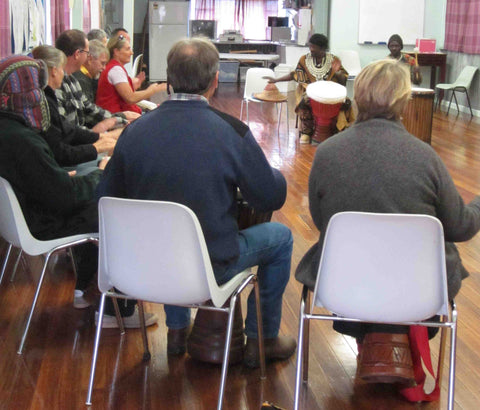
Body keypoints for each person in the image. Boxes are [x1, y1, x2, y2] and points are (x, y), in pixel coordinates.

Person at [96, 37, 296, 365]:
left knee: (168, 223)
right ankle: (264, 340)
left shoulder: (134, 132)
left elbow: (104, 197)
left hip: (139, 265)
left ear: (169, 81)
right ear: (215, 80)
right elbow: (270, 196)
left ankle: (177, 332)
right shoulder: (232, 132)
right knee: (282, 239)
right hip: (210, 263)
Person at [295, 59, 480, 382]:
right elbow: (461, 227)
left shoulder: (327, 153)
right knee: (438, 241)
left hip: (344, 287)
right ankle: (394, 344)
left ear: (359, 95)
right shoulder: (425, 157)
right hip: (419, 292)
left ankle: (374, 342)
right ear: (404, 101)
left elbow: (322, 221)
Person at [0, 54, 105, 309]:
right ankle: (108, 303)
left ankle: (87, 284)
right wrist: (100, 172)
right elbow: (65, 198)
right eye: (36, 88)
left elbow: (43, 181)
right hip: (43, 222)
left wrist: (61, 176)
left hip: (22, 219)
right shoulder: (24, 140)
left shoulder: (9, 130)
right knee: (110, 207)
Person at [32, 44, 120, 168]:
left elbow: (68, 129)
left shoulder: (48, 96)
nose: (64, 74)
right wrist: (95, 148)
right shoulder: (43, 102)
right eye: (62, 69)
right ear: (54, 71)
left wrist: (100, 137)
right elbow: (60, 153)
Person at [265, 33, 353, 144]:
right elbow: (294, 75)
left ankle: (338, 130)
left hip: (330, 92)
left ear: (322, 48)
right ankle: (306, 132)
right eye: (310, 46)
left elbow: (342, 81)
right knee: (305, 101)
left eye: (313, 47)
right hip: (308, 91)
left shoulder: (333, 60)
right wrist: (276, 80)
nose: (311, 49)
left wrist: (338, 73)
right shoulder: (304, 60)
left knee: (347, 102)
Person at [54, 29, 140, 134]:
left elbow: (89, 109)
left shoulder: (71, 79)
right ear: (77, 54)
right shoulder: (57, 84)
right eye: (86, 52)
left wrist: (120, 118)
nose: (87, 57)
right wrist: (96, 134)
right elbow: (67, 131)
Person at [96, 35, 165, 114]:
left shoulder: (114, 68)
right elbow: (130, 98)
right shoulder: (116, 70)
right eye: (128, 49)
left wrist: (133, 87)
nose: (131, 53)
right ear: (116, 52)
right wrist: (152, 90)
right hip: (114, 117)